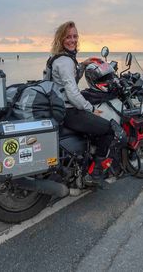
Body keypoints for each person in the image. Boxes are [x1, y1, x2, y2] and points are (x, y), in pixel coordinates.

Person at [44, 21, 127, 184]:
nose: (72, 40)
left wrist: (82, 64)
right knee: (110, 129)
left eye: (75, 36)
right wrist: (90, 109)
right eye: (68, 37)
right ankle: (94, 173)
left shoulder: (56, 58)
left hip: (56, 108)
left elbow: (66, 80)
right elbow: (72, 92)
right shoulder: (65, 61)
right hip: (68, 111)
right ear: (60, 39)